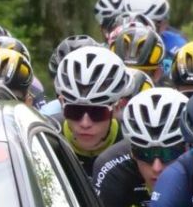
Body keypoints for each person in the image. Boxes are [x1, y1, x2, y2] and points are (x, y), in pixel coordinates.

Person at [93, 87, 188, 207]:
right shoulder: (112, 168)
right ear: (132, 151)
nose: (156, 167)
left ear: (189, 149)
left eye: (169, 153)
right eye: (145, 154)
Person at [53, 45, 136, 174]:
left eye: (98, 113)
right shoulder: (46, 134)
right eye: (74, 111)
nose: (85, 124)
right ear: (62, 104)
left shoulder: (133, 141)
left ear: (118, 107)